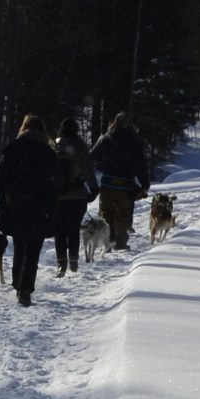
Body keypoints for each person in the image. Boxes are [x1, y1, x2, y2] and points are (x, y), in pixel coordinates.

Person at [0, 114, 62, 307]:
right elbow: (58, 180)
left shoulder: (12, 149)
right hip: (40, 208)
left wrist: (5, 198)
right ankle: (25, 289)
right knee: (33, 250)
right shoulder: (47, 152)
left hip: (15, 206)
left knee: (19, 247)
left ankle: (18, 284)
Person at [91, 109, 151, 249]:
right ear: (127, 124)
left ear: (113, 123)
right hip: (125, 185)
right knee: (122, 214)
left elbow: (91, 157)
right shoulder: (133, 142)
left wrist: (101, 165)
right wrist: (145, 184)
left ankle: (108, 240)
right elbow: (140, 165)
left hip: (106, 183)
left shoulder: (104, 139)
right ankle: (121, 242)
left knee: (106, 212)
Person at [51, 116, 98, 275]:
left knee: (59, 230)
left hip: (57, 196)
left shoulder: (54, 146)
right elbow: (87, 169)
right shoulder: (80, 147)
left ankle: (61, 263)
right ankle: (73, 259)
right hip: (77, 195)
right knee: (73, 228)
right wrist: (94, 188)